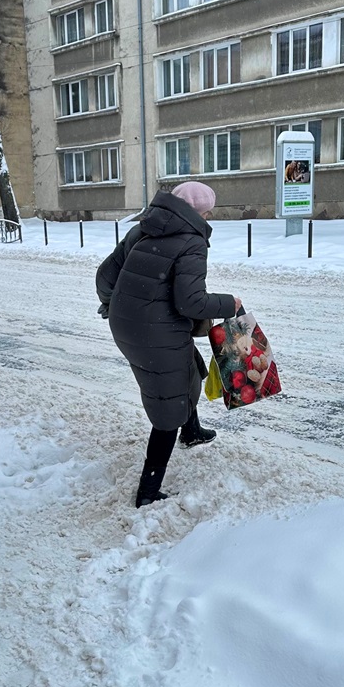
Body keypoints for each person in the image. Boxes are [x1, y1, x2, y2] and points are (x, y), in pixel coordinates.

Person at [96, 181, 242, 507]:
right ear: (195, 211)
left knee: (191, 367)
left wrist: (117, 306)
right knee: (167, 406)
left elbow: (105, 276)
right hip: (155, 332)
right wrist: (229, 304)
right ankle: (147, 493)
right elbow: (192, 303)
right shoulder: (191, 241)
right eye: (207, 210)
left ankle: (191, 431)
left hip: (130, 326)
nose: (209, 215)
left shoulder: (143, 230)